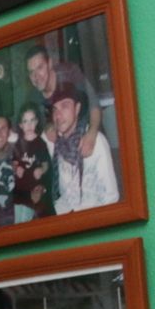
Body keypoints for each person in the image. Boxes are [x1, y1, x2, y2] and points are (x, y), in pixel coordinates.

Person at [48, 82, 119, 214]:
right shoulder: (56, 146)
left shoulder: (96, 143)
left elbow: (111, 198)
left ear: (77, 108)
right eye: (55, 109)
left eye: (65, 106)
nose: (58, 115)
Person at [11, 102, 54, 223]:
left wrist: (41, 170)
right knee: (19, 221)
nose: (29, 124)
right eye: (25, 121)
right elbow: (13, 162)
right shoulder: (18, 144)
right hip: (20, 191)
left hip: (36, 189)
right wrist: (16, 168)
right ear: (20, 125)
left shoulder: (41, 144)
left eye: (32, 120)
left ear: (36, 122)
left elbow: (46, 165)